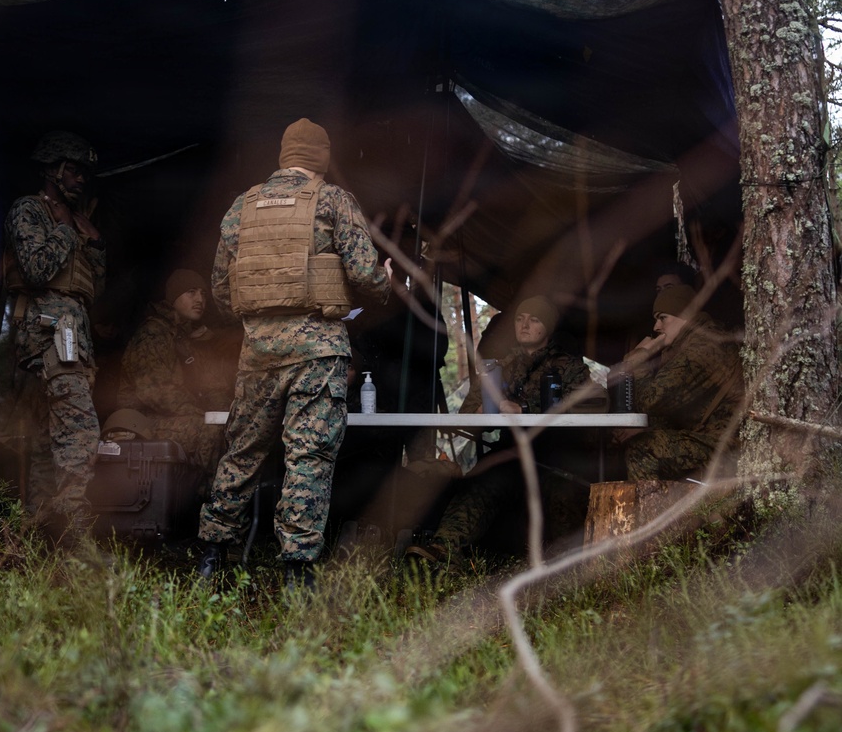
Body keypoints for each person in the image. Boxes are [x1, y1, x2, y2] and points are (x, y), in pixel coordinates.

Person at [197, 118, 392, 587]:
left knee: (242, 452)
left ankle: (211, 557)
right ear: (321, 156)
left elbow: (222, 289)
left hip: (258, 351)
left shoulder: (242, 206)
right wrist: (385, 280)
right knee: (308, 456)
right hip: (318, 351)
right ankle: (297, 573)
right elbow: (365, 274)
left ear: (284, 156)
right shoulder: (333, 200)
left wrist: (260, 319)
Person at [405, 295, 598, 565]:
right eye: (520, 319)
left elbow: (588, 413)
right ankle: (442, 549)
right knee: (481, 484)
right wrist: (480, 414)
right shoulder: (499, 368)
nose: (524, 325)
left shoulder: (570, 368)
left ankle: (569, 565)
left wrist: (526, 411)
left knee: (562, 494)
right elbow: (465, 420)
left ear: (549, 327)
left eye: (534, 320)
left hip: (557, 456)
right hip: (511, 454)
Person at [4, 131, 106, 540]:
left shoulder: (79, 223)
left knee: (48, 445)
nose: (81, 180)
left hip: (72, 338)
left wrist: (93, 242)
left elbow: (93, 286)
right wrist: (65, 230)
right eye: (74, 170)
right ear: (53, 170)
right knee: (81, 435)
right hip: (46, 337)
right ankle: (74, 538)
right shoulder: (28, 210)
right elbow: (37, 269)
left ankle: (36, 539)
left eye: (84, 173)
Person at [106, 267, 239, 479]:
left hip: (177, 416)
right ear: (173, 297)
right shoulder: (153, 334)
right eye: (191, 292)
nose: (199, 299)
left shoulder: (188, 339)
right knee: (210, 432)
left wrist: (226, 415)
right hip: (143, 421)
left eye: (203, 294)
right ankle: (199, 498)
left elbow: (212, 386)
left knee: (231, 431)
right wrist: (201, 415)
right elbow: (155, 391)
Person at [611, 284, 742, 480]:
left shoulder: (704, 346)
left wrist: (639, 359)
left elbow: (651, 400)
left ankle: (651, 511)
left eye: (663, 318)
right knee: (634, 441)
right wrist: (644, 428)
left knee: (644, 451)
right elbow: (670, 407)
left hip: (731, 449)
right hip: (710, 439)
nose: (656, 327)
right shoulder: (688, 345)